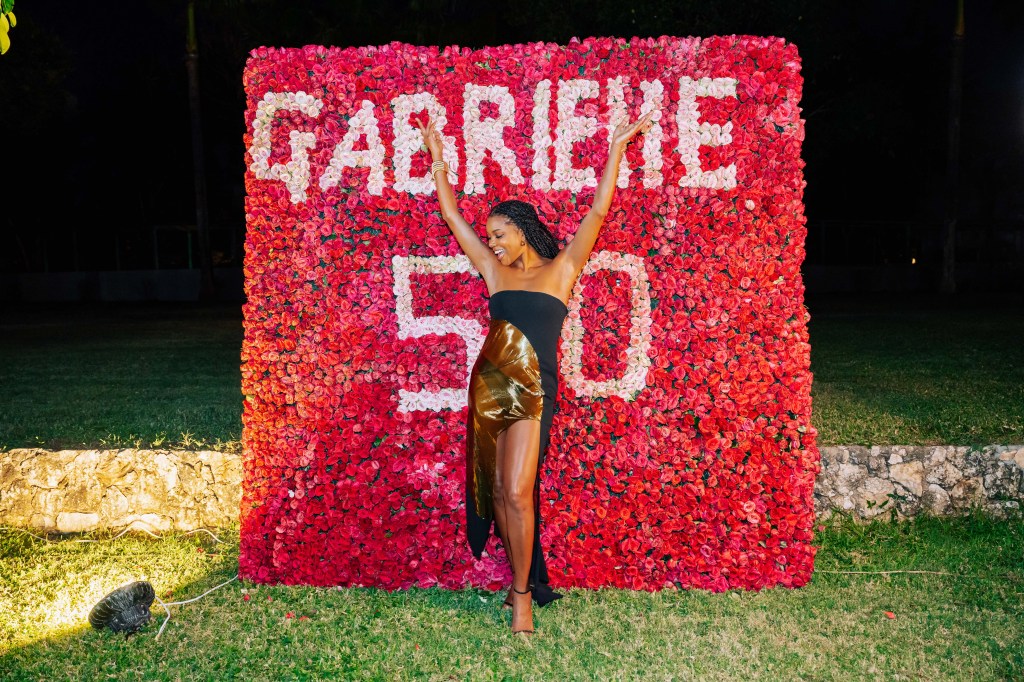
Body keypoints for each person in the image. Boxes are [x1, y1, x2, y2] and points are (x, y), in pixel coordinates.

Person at [417, 110, 653, 635]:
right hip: (489, 384)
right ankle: (515, 580)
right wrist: (438, 162)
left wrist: (616, 147)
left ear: (523, 233)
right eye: (491, 236)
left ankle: (522, 595)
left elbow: (596, 212)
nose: (493, 242)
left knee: (520, 491)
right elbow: (454, 219)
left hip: (533, 389)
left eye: (501, 234)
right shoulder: (493, 270)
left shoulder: (563, 268)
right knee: (500, 491)